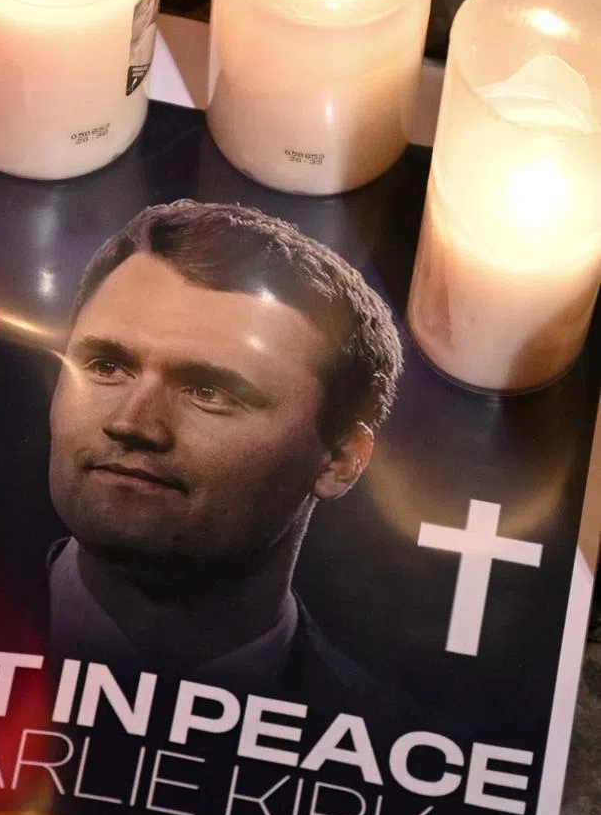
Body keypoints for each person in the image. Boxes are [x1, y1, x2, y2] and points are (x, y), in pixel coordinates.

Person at [47, 198, 405, 709]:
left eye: (210, 392)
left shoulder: (389, 741)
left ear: (341, 459)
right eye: (106, 366)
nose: (131, 423)